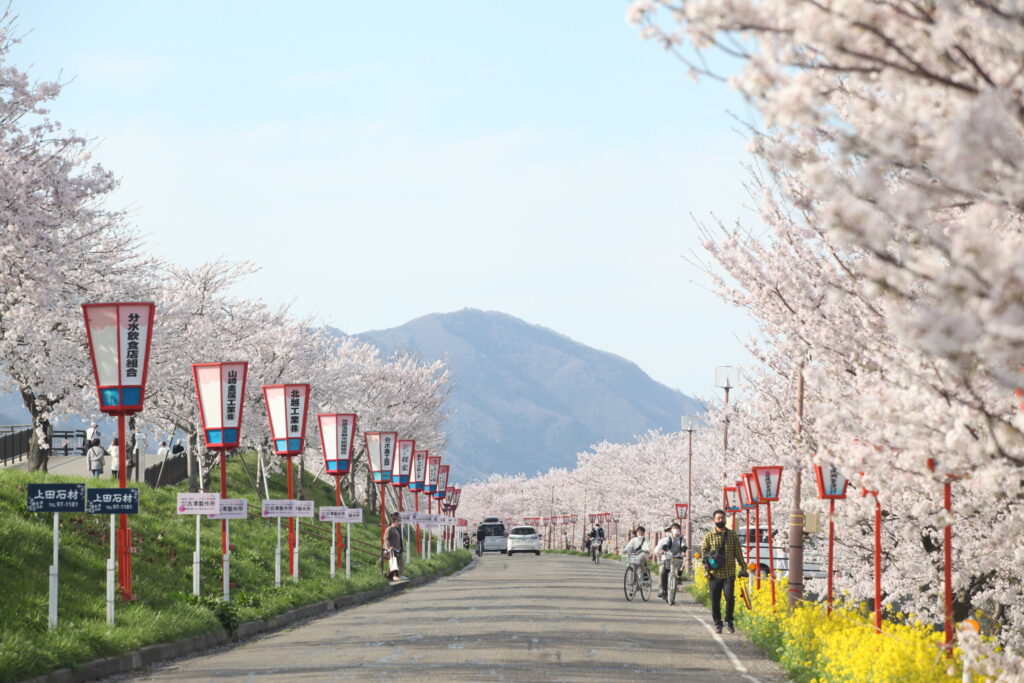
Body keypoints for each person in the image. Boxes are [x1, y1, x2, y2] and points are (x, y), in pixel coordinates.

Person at [700, 509, 748, 634]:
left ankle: (729, 621)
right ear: (714, 520)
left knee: (729, 597)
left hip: (729, 573)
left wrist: (743, 567)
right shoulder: (709, 536)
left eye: (722, 518)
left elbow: (738, 552)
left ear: (725, 519)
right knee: (715, 600)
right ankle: (717, 623)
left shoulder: (732, 535)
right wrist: (706, 570)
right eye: (718, 518)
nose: (721, 520)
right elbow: (704, 555)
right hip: (714, 574)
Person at [653, 522, 688, 599]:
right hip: (668, 557)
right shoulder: (668, 538)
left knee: (681, 565)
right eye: (674, 529)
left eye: (677, 529)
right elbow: (666, 544)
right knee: (663, 572)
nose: (676, 530)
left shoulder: (682, 539)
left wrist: (683, 552)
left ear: (680, 530)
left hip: (677, 557)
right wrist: (663, 550)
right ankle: (663, 589)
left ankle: (679, 577)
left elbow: (683, 546)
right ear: (671, 530)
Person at [384, 514, 405, 581]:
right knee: (394, 563)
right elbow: (385, 538)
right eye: (398, 521)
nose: (399, 522)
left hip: (398, 549)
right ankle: (393, 576)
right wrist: (388, 547)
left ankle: (394, 576)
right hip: (392, 548)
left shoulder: (396, 529)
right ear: (394, 521)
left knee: (399, 562)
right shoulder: (389, 529)